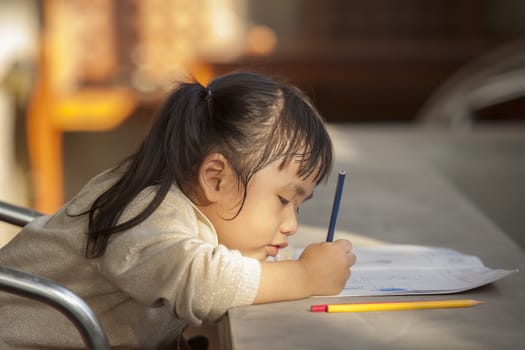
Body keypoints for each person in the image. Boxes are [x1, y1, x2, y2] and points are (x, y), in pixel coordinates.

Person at [0, 72, 356, 349]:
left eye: (298, 206)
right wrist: (304, 276)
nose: (292, 224)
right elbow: (199, 281)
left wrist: (284, 262)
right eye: (283, 200)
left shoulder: (186, 201)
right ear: (216, 179)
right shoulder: (147, 212)